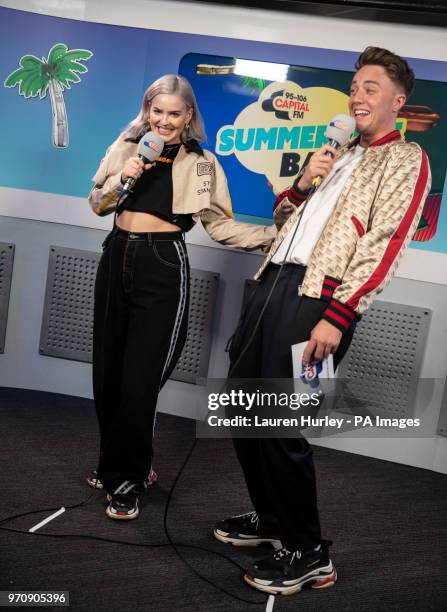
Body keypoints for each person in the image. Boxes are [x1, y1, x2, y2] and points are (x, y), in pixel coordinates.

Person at [213, 47, 431, 596]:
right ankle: (273, 522)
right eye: (355, 86)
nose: (358, 95)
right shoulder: (337, 152)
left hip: (321, 299)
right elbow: (287, 219)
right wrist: (304, 183)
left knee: (284, 424)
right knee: (241, 407)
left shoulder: (406, 158)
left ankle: (309, 552)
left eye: (371, 88)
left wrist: (338, 315)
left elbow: (385, 244)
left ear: (397, 101)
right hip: (274, 283)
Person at [88, 74, 277, 520]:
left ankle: (129, 479)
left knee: (141, 378)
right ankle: (116, 463)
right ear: (147, 109)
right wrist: (123, 177)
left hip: (163, 264)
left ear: (189, 115)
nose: (165, 121)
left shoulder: (204, 163)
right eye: (158, 111)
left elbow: (221, 226)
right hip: (115, 255)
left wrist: (275, 236)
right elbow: (97, 203)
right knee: (108, 372)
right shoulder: (125, 148)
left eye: (175, 113)